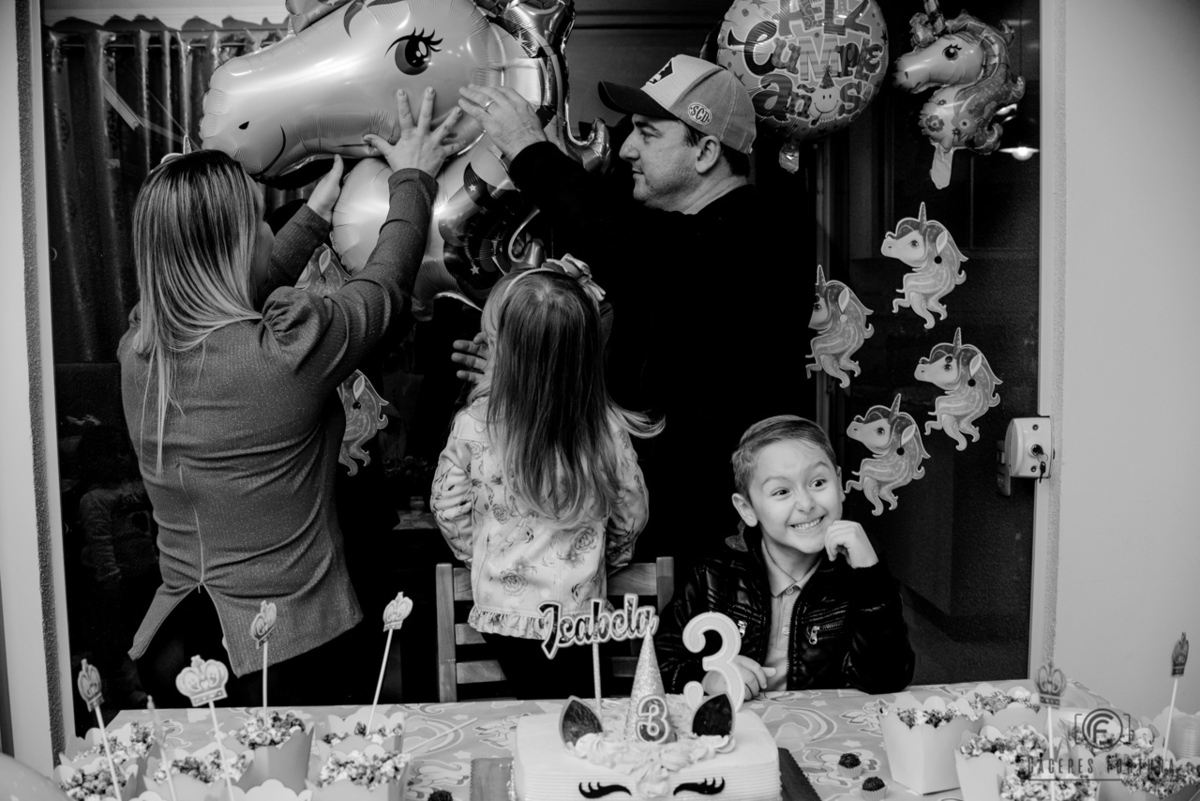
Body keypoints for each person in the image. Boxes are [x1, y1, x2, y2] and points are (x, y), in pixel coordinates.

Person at [119, 88, 463, 706]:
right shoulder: (286, 354)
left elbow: (220, 291)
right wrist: (414, 180)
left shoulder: (140, 349)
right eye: (256, 222)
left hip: (177, 640)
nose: (262, 232)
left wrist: (314, 215)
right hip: (287, 651)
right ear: (235, 247)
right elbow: (382, 290)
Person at [453, 55, 806, 564]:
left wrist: (528, 149)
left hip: (715, 541)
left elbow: (615, 232)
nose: (627, 148)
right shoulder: (677, 237)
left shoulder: (750, 234)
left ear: (706, 150)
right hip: (651, 529)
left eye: (646, 132)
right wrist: (522, 372)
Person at [430, 263, 660, 699]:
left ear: (508, 356)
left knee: (538, 714)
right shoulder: (606, 429)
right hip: (581, 615)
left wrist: (479, 557)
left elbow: (447, 507)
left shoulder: (473, 425)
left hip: (503, 615)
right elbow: (632, 511)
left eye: (492, 342)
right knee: (582, 712)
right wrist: (603, 562)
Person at [655, 415, 914, 697]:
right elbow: (660, 661)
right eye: (781, 491)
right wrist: (706, 679)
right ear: (747, 509)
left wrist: (870, 578)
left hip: (825, 735)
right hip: (738, 731)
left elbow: (887, 680)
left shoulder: (857, 577)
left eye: (818, 483)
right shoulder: (713, 576)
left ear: (839, 484)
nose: (806, 504)